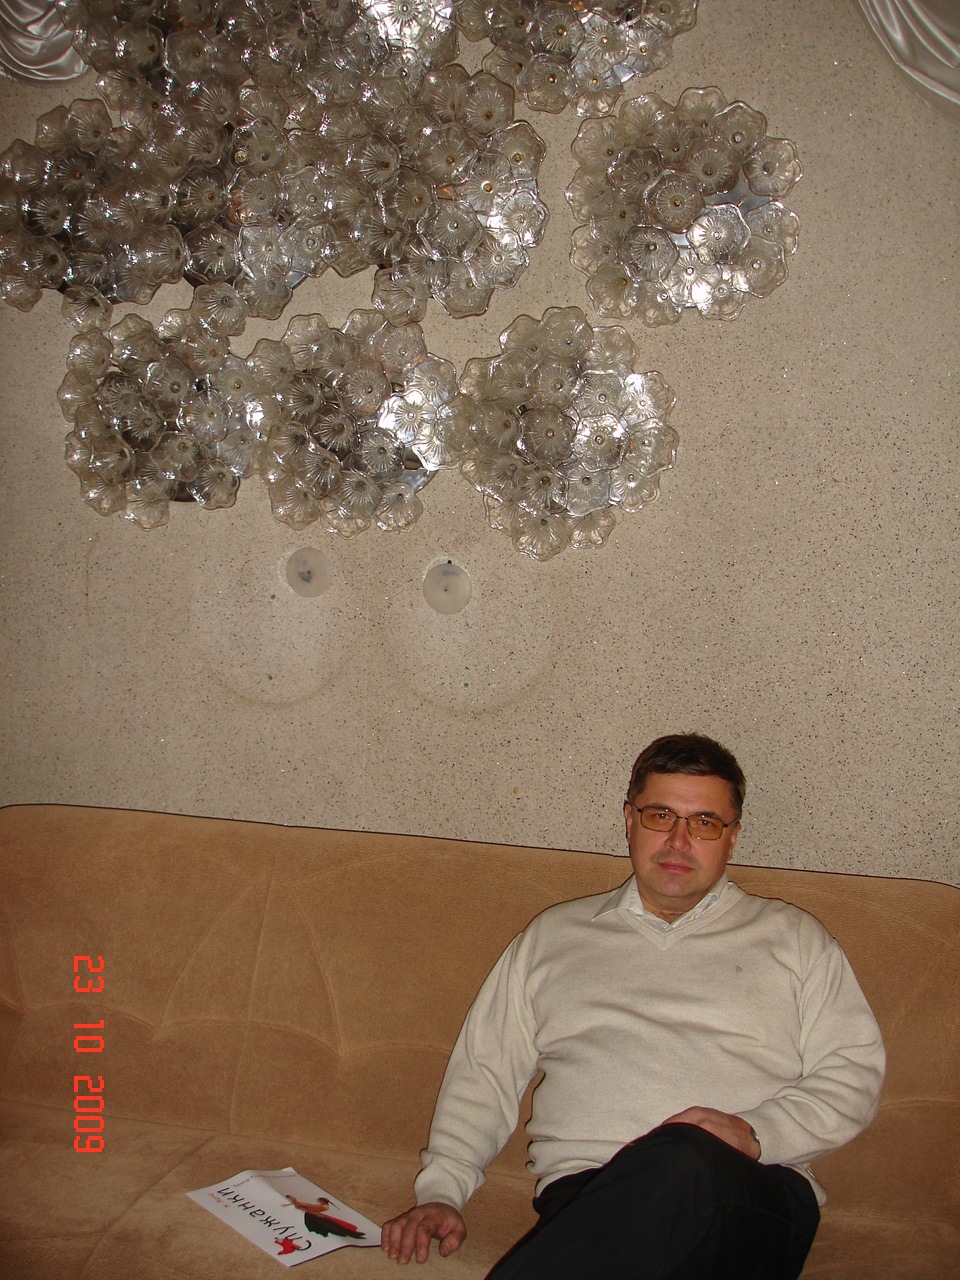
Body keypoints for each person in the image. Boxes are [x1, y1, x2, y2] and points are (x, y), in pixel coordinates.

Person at [381, 733, 885, 1279]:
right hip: (588, 1193)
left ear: (733, 837)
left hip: (749, 1192)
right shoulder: (554, 936)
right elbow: (485, 1070)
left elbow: (853, 1073)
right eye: (660, 815)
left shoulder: (795, 939)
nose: (678, 840)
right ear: (629, 820)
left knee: (685, 1155)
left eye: (704, 823)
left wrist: (757, 1133)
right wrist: (443, 1192)